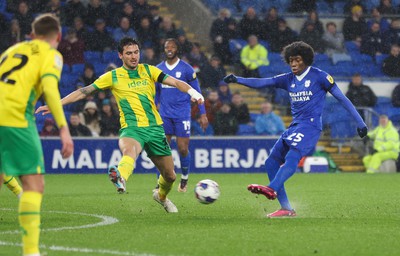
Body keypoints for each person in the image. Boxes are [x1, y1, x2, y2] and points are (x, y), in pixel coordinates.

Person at [36, 37, 204, 213]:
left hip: (155, 129)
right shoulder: (113, 76)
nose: (134, 56)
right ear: (120, 55)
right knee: (129, 151)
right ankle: (120, 177)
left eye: (136, 52)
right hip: (131, 129)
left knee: (170, 176)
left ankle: (161, 197)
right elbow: (83, 91)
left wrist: (193, 92)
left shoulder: (148, 70)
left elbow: (177, 82)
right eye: (129, 53)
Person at [223, 41, 368, 218]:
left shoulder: (320, 76)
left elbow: (342, 99)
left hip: (311, 125)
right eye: (291, 60)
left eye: (297, 60)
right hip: (295, 125)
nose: (293, 64)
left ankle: (272, 188)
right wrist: (238, 80)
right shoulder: (287, 79)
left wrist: (361, 123)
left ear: (305, 60)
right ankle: (286, 209)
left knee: (293, 155)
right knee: (271, 162)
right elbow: (262, 82)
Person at [0, 13, 74, 256]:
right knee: (33, 183)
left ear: (32, 34)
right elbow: (51, 91)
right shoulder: (51, 54)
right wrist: (64, 129)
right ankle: (31, 252)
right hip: (14, 118)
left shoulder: (12, 50)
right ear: (58, 37)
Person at [155, 38, 208, 192]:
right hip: (164, 114)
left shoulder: (187, 69)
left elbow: (197, 92)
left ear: (177, 49)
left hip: (182, 114)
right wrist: (156, 104)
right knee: (162, 149)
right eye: (166, 47)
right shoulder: (158, 69)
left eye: (172, 46)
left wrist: (203, 114)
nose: (169, 49)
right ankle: (161, 181)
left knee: (182, 148)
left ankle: (184, 178)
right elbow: (157, 91)